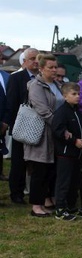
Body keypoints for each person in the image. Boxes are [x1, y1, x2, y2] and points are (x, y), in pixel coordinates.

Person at [25, 54, 59, 217]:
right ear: (41, 68)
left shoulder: (57, 84)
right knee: (39, 170)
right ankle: (36, 206)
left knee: (49, 170)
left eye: (55, 67)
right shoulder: (36, 86)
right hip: (41, 134)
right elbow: (43, 111)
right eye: (50, 67)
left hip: (53, 135)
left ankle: (45, 201)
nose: (54, 70)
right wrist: (60, 126)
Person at [5, 47, 39, 204]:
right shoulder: (17, 78)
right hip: (21, 124)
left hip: (39, 125)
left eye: (38, 58)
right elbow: (11, 103)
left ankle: (34, 189)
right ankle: (16, 193)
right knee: (19, 161)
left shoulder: (41, 78)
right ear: (24, 61)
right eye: (32, 59)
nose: (36, 61)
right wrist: (14, 126)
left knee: (34, 162)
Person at [52, 82, 82, 221]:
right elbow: (58, 131)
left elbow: (81, 127)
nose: (77, 96)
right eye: (74, 94)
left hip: (77, 154)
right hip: (65, 153)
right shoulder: (62, 112)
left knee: (74, 181)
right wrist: (74, 141)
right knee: (64, 181)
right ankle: (60, 209)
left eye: (79, 94)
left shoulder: (77, 111)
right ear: (65, 96)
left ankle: (71, 205)